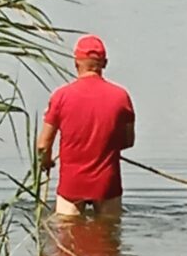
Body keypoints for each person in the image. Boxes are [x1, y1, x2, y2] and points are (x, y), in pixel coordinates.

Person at [37, 35, 135, 216]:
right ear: (104, 63)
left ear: (76, 63)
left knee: (67, 233)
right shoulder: (121, 96)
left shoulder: (61, 96)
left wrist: (46, 162)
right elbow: (128, 142)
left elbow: (43, 146)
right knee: (109, 233)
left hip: (72, 184)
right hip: (107, 183)